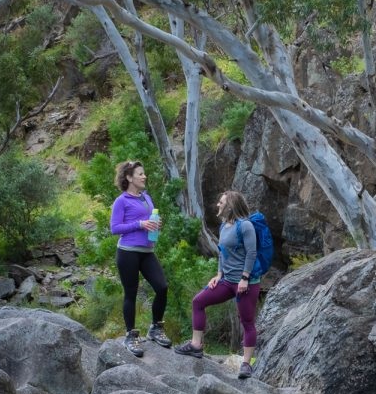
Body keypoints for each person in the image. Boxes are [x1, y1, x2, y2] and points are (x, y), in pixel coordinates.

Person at [174, 190, 262, 379]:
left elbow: (251, 253)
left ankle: (246, 364)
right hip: (227, 281)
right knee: (198, 301)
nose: (218, 205)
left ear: (230, 206)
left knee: (246, 321)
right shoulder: (224, 226)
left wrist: (245, 278)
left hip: (245, 283)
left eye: (221, 203)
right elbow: (222, 253)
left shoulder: (245, 226)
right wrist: (218, 274)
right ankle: (196, 345)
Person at [109, 160, 170, 357]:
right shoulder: (121, 201)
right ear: (129, 178)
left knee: (162, 287)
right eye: (140, 174)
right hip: (127, 252)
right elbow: (115, 228)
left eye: (144, 173)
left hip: (147, 251)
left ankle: (156, 328)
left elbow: (148, 220)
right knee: (131, 293)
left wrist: (155, 224)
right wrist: (140, 224)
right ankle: (130, 336)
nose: (144, 177)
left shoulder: (146, 198)